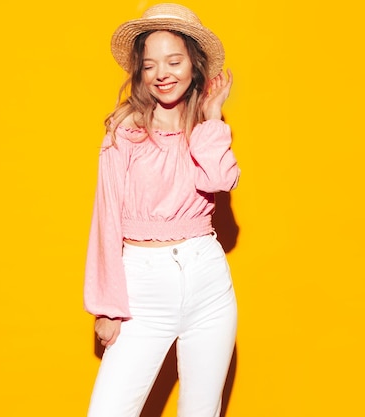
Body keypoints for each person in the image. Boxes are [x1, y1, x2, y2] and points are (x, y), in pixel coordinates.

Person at [83, 3, 240, 416]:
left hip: (207, 279)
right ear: (139, 71)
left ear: (194, 64)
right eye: (150, 64)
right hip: (142, 287)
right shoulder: (125, 132)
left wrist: (211, 116)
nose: (162, 74)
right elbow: (106, 222)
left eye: (174, 60)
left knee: (201, 411)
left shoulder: (206, 128)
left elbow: (219, 181)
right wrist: (107, 308)